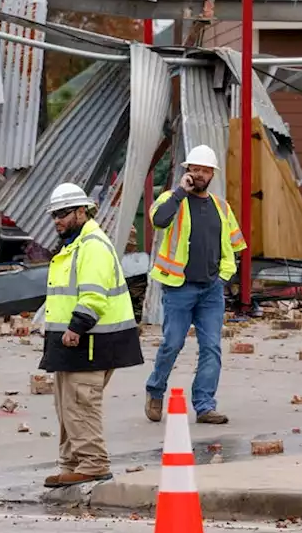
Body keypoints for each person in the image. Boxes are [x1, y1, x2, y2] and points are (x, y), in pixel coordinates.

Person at [39, 182, 143, 488]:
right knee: (67, 404)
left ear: (82, 211)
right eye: (54, 214)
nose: (57, 219)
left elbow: (94, 296)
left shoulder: (93, 246)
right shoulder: (75, 245)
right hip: (72, 342)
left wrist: (76, 327)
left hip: (90, 340)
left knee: (81, 402)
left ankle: (93, 463)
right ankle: (73, 462)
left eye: (63, 213)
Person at [144, 145, 247, 426]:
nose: (199, 175)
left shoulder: (221, 207)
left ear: (212, 173)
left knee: (212, 347)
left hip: (211, 290)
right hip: (179, 288)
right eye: (195, 169)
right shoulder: (171, 199)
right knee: (172, 344)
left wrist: (225, 277)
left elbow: (235, 245)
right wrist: (180, 192)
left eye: (204, 170)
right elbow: (159, 220)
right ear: (187, 171)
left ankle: (204, 405)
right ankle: (155, 390)